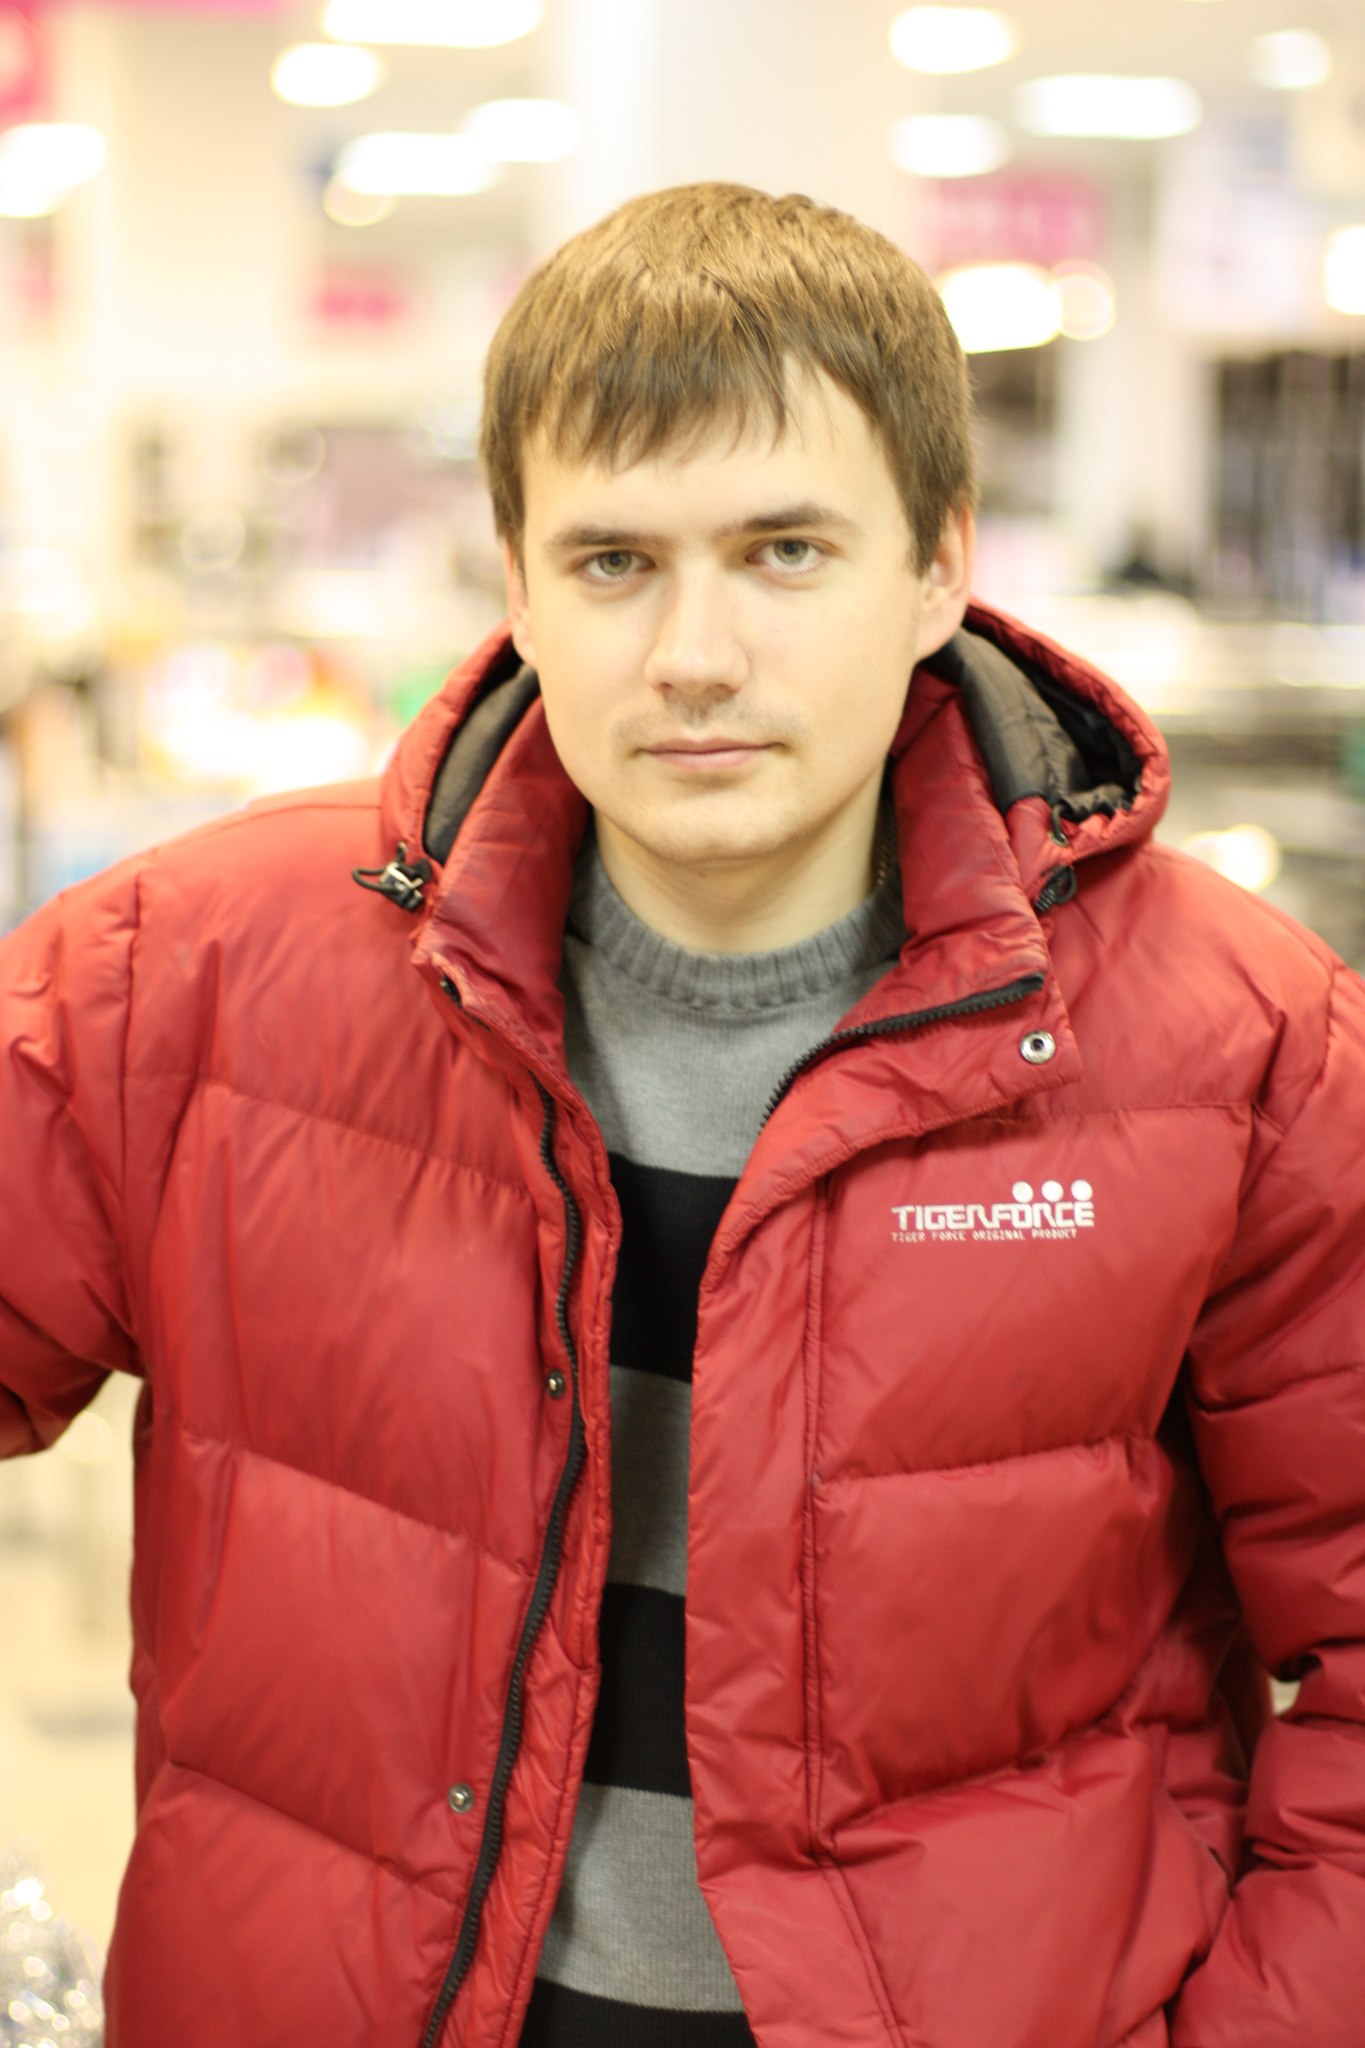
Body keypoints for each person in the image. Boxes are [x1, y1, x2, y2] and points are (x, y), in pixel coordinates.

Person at [1, 182, 1362, 2048]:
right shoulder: (185, 978)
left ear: (937, 568)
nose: (693, 654)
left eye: (785, 551)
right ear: (518, 583)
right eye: (613, 562)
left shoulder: (1241, 1047)